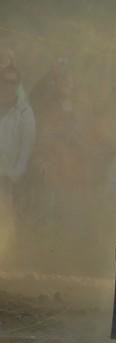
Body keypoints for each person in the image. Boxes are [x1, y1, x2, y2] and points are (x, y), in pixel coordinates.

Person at [0, 50, 36, 259]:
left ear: (18, 84)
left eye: (13, 82)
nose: (8, 85)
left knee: (5, 217)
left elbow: (26, 150)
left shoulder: (25, 114)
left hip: (8, 177)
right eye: (5, 81)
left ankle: (7, 256)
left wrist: (13, 177)